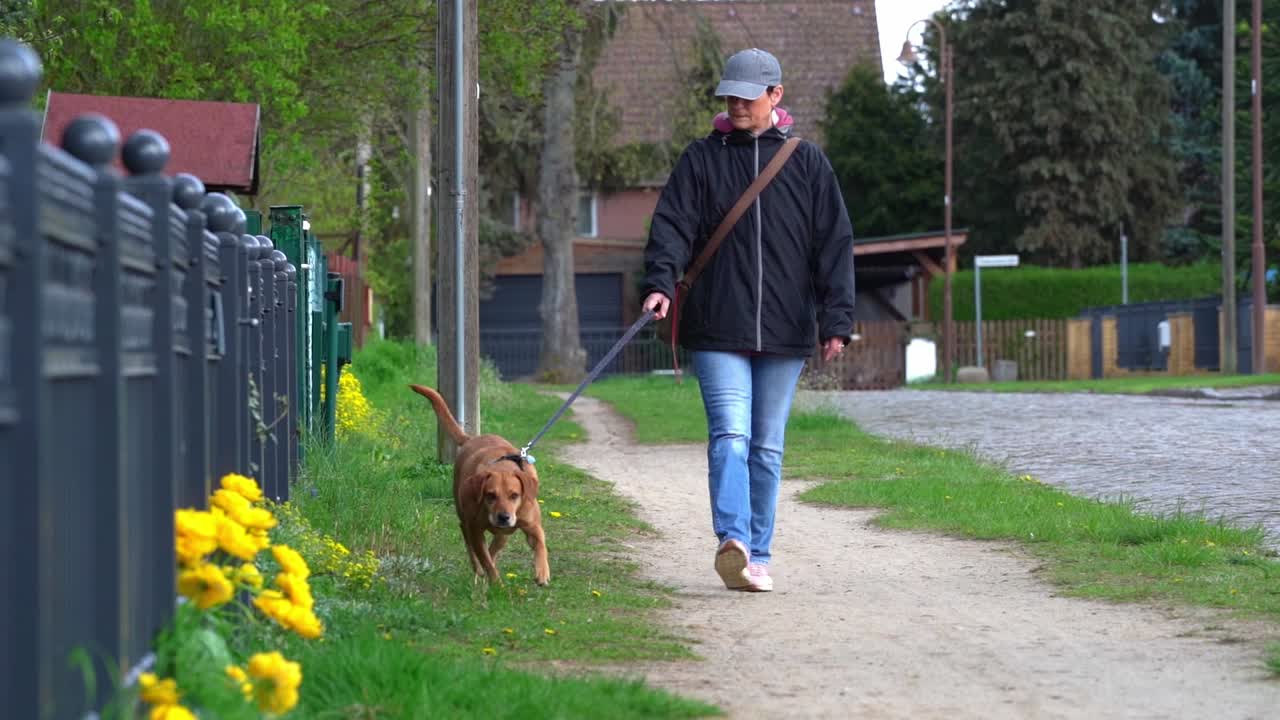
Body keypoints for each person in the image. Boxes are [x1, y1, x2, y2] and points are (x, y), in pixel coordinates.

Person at [641, 48, 855, 593]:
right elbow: (671, 225)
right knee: (731, 435)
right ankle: (732, 540)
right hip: (718, 324)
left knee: (767, 446)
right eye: (729, 95)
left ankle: (758, 555)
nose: (736, 104)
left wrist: (837, 320)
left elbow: (834, 244)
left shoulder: (807, 162)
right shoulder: (702, 158)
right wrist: (661, 284)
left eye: (747, 95)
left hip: (786, 330)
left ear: (775, 96)